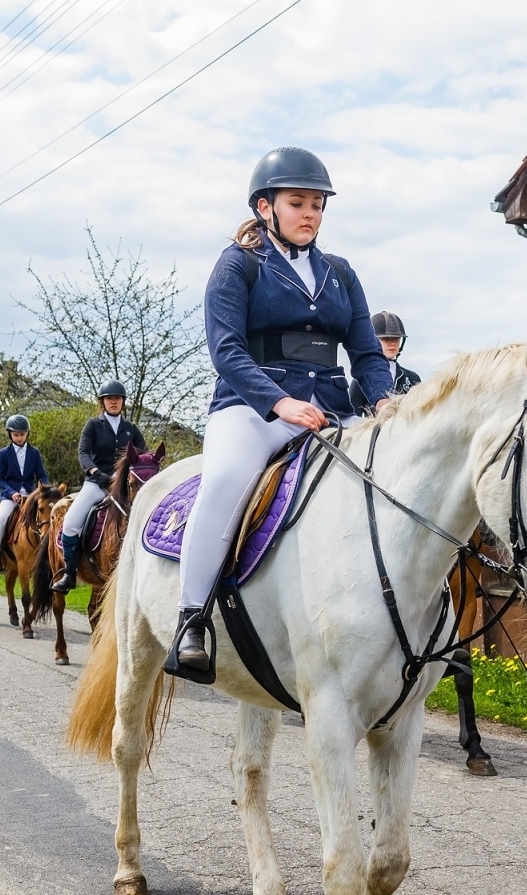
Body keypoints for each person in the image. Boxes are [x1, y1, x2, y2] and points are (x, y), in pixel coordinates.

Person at [164, 147, 393, 682]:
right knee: (224, 481)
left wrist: (385, 401)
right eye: (298, 203)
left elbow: (365, 353)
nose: (310, 213)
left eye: (317, 204)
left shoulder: (340, 273)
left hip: (329, 409)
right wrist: (278, 402)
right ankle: (192, 618)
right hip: (251, 408)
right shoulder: (239, 264)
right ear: (265, 206)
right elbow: (226, 350)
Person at [50, 382, 145, 592]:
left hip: (123, 486)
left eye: (117, 398)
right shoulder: (93, 425)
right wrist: (95, 472)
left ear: (123, 402)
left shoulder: (131, 429)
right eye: (109, 398)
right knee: (70, 524)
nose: (113, 402)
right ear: (102, 402)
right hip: (97, 484)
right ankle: (69, 573)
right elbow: (83, 453)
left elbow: (143, 455)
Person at [0, 414, 49, 573]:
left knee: (45, 518)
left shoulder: (34, 453)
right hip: (11, 496)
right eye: (16, 435)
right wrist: (11, 493)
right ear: (10, 434)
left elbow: (42, 474)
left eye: (22, 434)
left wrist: (45, 487)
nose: (19, 438)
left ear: (27, 434)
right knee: (2, 518)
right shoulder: (4, 453)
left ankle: (48, 552)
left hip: (30, 495)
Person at [348, 311, 422, 416]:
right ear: (373, 340)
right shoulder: (360, 381)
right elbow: (354, 416)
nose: (392, 343)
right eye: (385, 338)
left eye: (396, 338)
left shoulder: (413, 378)